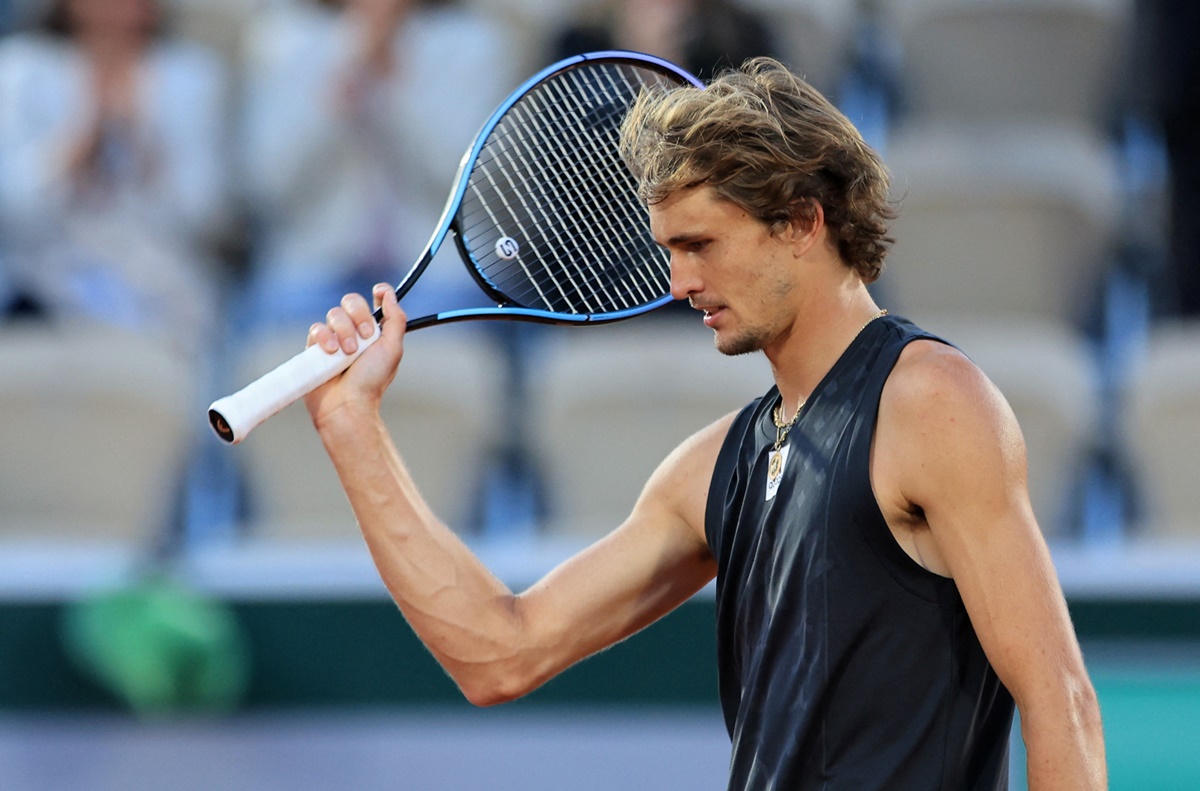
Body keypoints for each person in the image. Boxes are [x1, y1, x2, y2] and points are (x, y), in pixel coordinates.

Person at [300, 58, 1105, 789]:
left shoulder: (933, 402)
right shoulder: (711, 466)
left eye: (700, 244)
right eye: (668, 249)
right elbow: (497, 652)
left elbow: (1060, 697)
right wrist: (352, 428)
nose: (679, 281)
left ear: (800, 221)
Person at [236, 0, 518, 331]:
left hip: (437, 269)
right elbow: (267, 185)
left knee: (445, 332)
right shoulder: (286, 41)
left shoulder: (473, 47)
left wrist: (397, 91)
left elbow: (473, 183)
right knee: (277, 326)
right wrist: (335, 100)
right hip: (311, 266)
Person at [0, 0, 231, 352]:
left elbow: (205, 218)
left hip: (165, 299)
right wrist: (80, 141)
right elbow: (16, 212)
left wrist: (141, 141)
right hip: (43, 291)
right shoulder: (21, 68)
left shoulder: (192, 75)